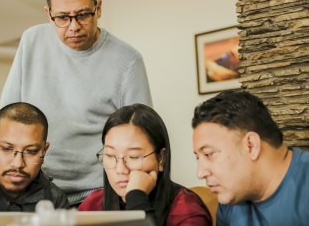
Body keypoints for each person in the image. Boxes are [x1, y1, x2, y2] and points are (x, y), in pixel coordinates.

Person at [0, 0, 153, 206]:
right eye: (63, 17)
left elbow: (143, 140)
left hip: (96, 194)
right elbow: (4, 120)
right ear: (49, 14)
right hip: (32, 188)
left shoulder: (127, 61)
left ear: (98, 8)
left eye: (83, 15)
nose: (73, 27)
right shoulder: (32, 41)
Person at [79, 104, 211, 226]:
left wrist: (136, 197)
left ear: (161, 158)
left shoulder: (187, 211)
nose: (120, 169)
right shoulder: (92, 205)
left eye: (134, 157)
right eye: (110, 156)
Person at [192, 90, 309, 226]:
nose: (200, 173)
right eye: (198, 158)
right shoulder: (229, 198)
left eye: (209, 154)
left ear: (251, 146)